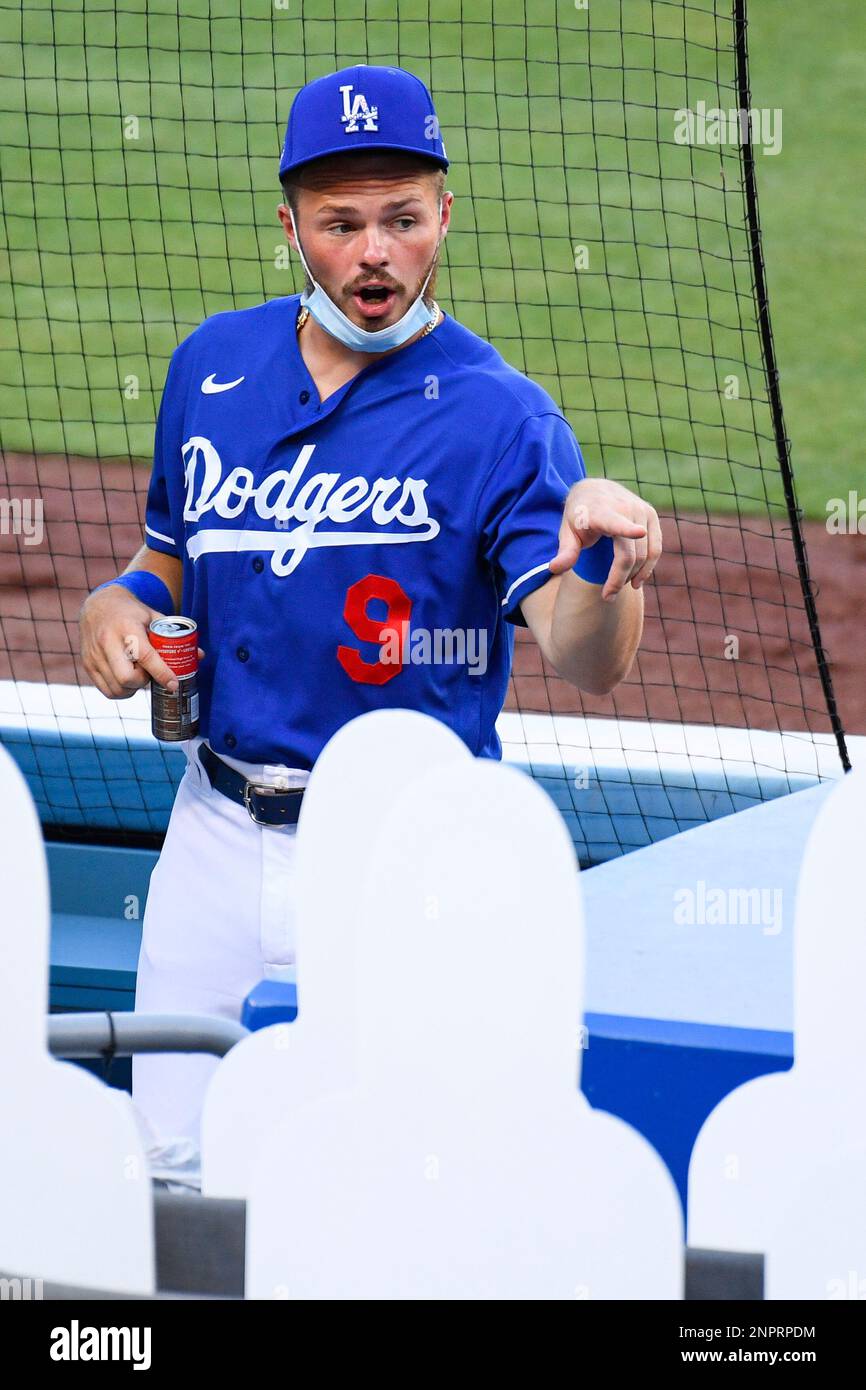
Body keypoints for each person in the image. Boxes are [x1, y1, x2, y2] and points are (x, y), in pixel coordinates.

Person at [78, 63, 662, 1190]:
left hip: (400, 856)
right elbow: (167, 559)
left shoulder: (502, 419)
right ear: (290, 222)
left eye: (400, 219)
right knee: (167, 1176)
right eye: (340, 224)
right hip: (210, 832)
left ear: (443, 213)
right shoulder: (210, 367)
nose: (373, 254)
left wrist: (602, 565)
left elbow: (587, 658)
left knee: (380, 1189)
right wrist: (120, 605)